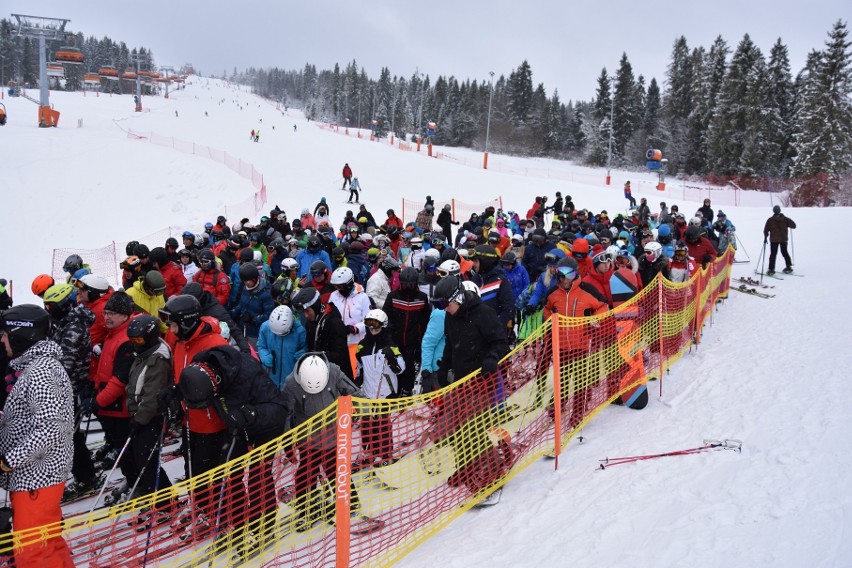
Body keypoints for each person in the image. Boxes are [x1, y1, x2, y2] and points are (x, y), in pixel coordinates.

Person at [179, 346, 288, 554]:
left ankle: (262, 529)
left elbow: (280, 407)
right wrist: (177, 391)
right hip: (236, 421)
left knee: (258, 475)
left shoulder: (248, 373)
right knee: (230, 474)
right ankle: (238, 525)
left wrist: (251, 414)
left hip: (264, 424)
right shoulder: (202, 363)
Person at [0, 305, 76, 567]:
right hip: (37, 474)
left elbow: (52, 427)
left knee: (32, 553)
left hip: (36, 475)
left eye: (6, 333)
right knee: (49, 542)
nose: (2, 339)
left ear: (23, 333)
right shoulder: (38, 367)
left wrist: (8, 459)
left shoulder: (42, 371)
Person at [426, 276, 511, 503]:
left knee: (472, 431)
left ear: (458, 297)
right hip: (459, 383)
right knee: (455, 429)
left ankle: (493, 475)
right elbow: (451, 347)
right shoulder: (450, 317)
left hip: (482, 382)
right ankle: (465, 466)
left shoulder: (483, 314)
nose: (444, 309)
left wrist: (492, 358)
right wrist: (442, 370)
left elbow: (501, 342)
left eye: (445, 304)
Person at [281, 353, 365, 531]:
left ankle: (350, 502)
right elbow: (286, 413)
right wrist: (287, 441)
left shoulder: (334, 371)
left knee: (337, 471)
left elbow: (355, 393)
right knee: (305, 475)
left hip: (333, 434)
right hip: (307, 437)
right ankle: (307, 509)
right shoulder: (291, 384)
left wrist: (363, 409)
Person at [42, 284, 99, 500]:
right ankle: (84, 475)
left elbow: (64, 363)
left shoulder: (73, 328)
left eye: (51, 306)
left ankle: (86, 478)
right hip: (64, 387)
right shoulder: (65, 323)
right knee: (70, 436)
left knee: (70, 438)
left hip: (68, 389)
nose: (48, 310)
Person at [124, 315, 173, 510]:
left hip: (152, 418)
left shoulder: (158, 359)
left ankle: (166, 502)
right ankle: (150, 493)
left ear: (150, 337)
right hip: (140, 416)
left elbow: (153, 394)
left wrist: (140, 418)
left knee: (148, 461)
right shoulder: (144, 354)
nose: (135, 345)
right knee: (137, 457)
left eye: (139, 340)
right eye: (132, 341)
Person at [355, 309, 405, 464]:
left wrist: (391, 359)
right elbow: (359, 368)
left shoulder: (391, 345)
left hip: (385, 392)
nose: (372, 330)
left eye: (376, 327)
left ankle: (385, 453)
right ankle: (369, 451)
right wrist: (357, 382)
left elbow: (401, 368)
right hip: (368, 392)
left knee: (382, 423)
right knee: (367, 423)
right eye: (369, 327)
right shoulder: (362, 346)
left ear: (383, 327)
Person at [382, 267, 430, 396]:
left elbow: (425, 321)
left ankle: (407, 390)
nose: (408, 286)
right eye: (406, 284)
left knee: (408, 367)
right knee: (395, 365)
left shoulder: (422, 298)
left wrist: (422, 341)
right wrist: (389, 337)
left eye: (411, 284)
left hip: (412, 340)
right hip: (395, 339)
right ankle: (394, 390)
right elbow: (386, 317)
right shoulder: (392, 296)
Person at [290, 287, 354, 380]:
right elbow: (311, 346)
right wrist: (305, 352)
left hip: (337, 377)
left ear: (315, 307)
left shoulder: (334, 323)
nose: (306, 316)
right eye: (304, 312)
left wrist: (317, 355)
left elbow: (341, 355)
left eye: (307, 311)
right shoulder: (310, 323)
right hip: (319, 374)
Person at [328, 267, 372, 377]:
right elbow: (329, 314)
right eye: (336, 286)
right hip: (338, 342)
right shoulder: (334, 296)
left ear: (348, 284)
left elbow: (368, 320)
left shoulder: (362, 297)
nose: (338, 289)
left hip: (355, 342)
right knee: (338, 373)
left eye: (341, 286)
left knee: (354, 374)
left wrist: (355, 328)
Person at [257, 305, 307, 389]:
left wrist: (304, 352)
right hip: (270, 378)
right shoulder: (265, 327)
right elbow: (261, 345)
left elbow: (305, 347)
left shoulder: (300, 331)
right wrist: (264, 355)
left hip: (290, 380)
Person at [763, 205, 797, 275]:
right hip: (783, 239)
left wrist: (765, 238)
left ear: (773, 211)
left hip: (774, 240)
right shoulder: (785, 219)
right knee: (785, 252)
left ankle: (771, 269)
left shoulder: (770, 220)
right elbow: (794, 225)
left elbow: (766, 230)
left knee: (773, 254)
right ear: (780, 210)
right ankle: (788, 266)